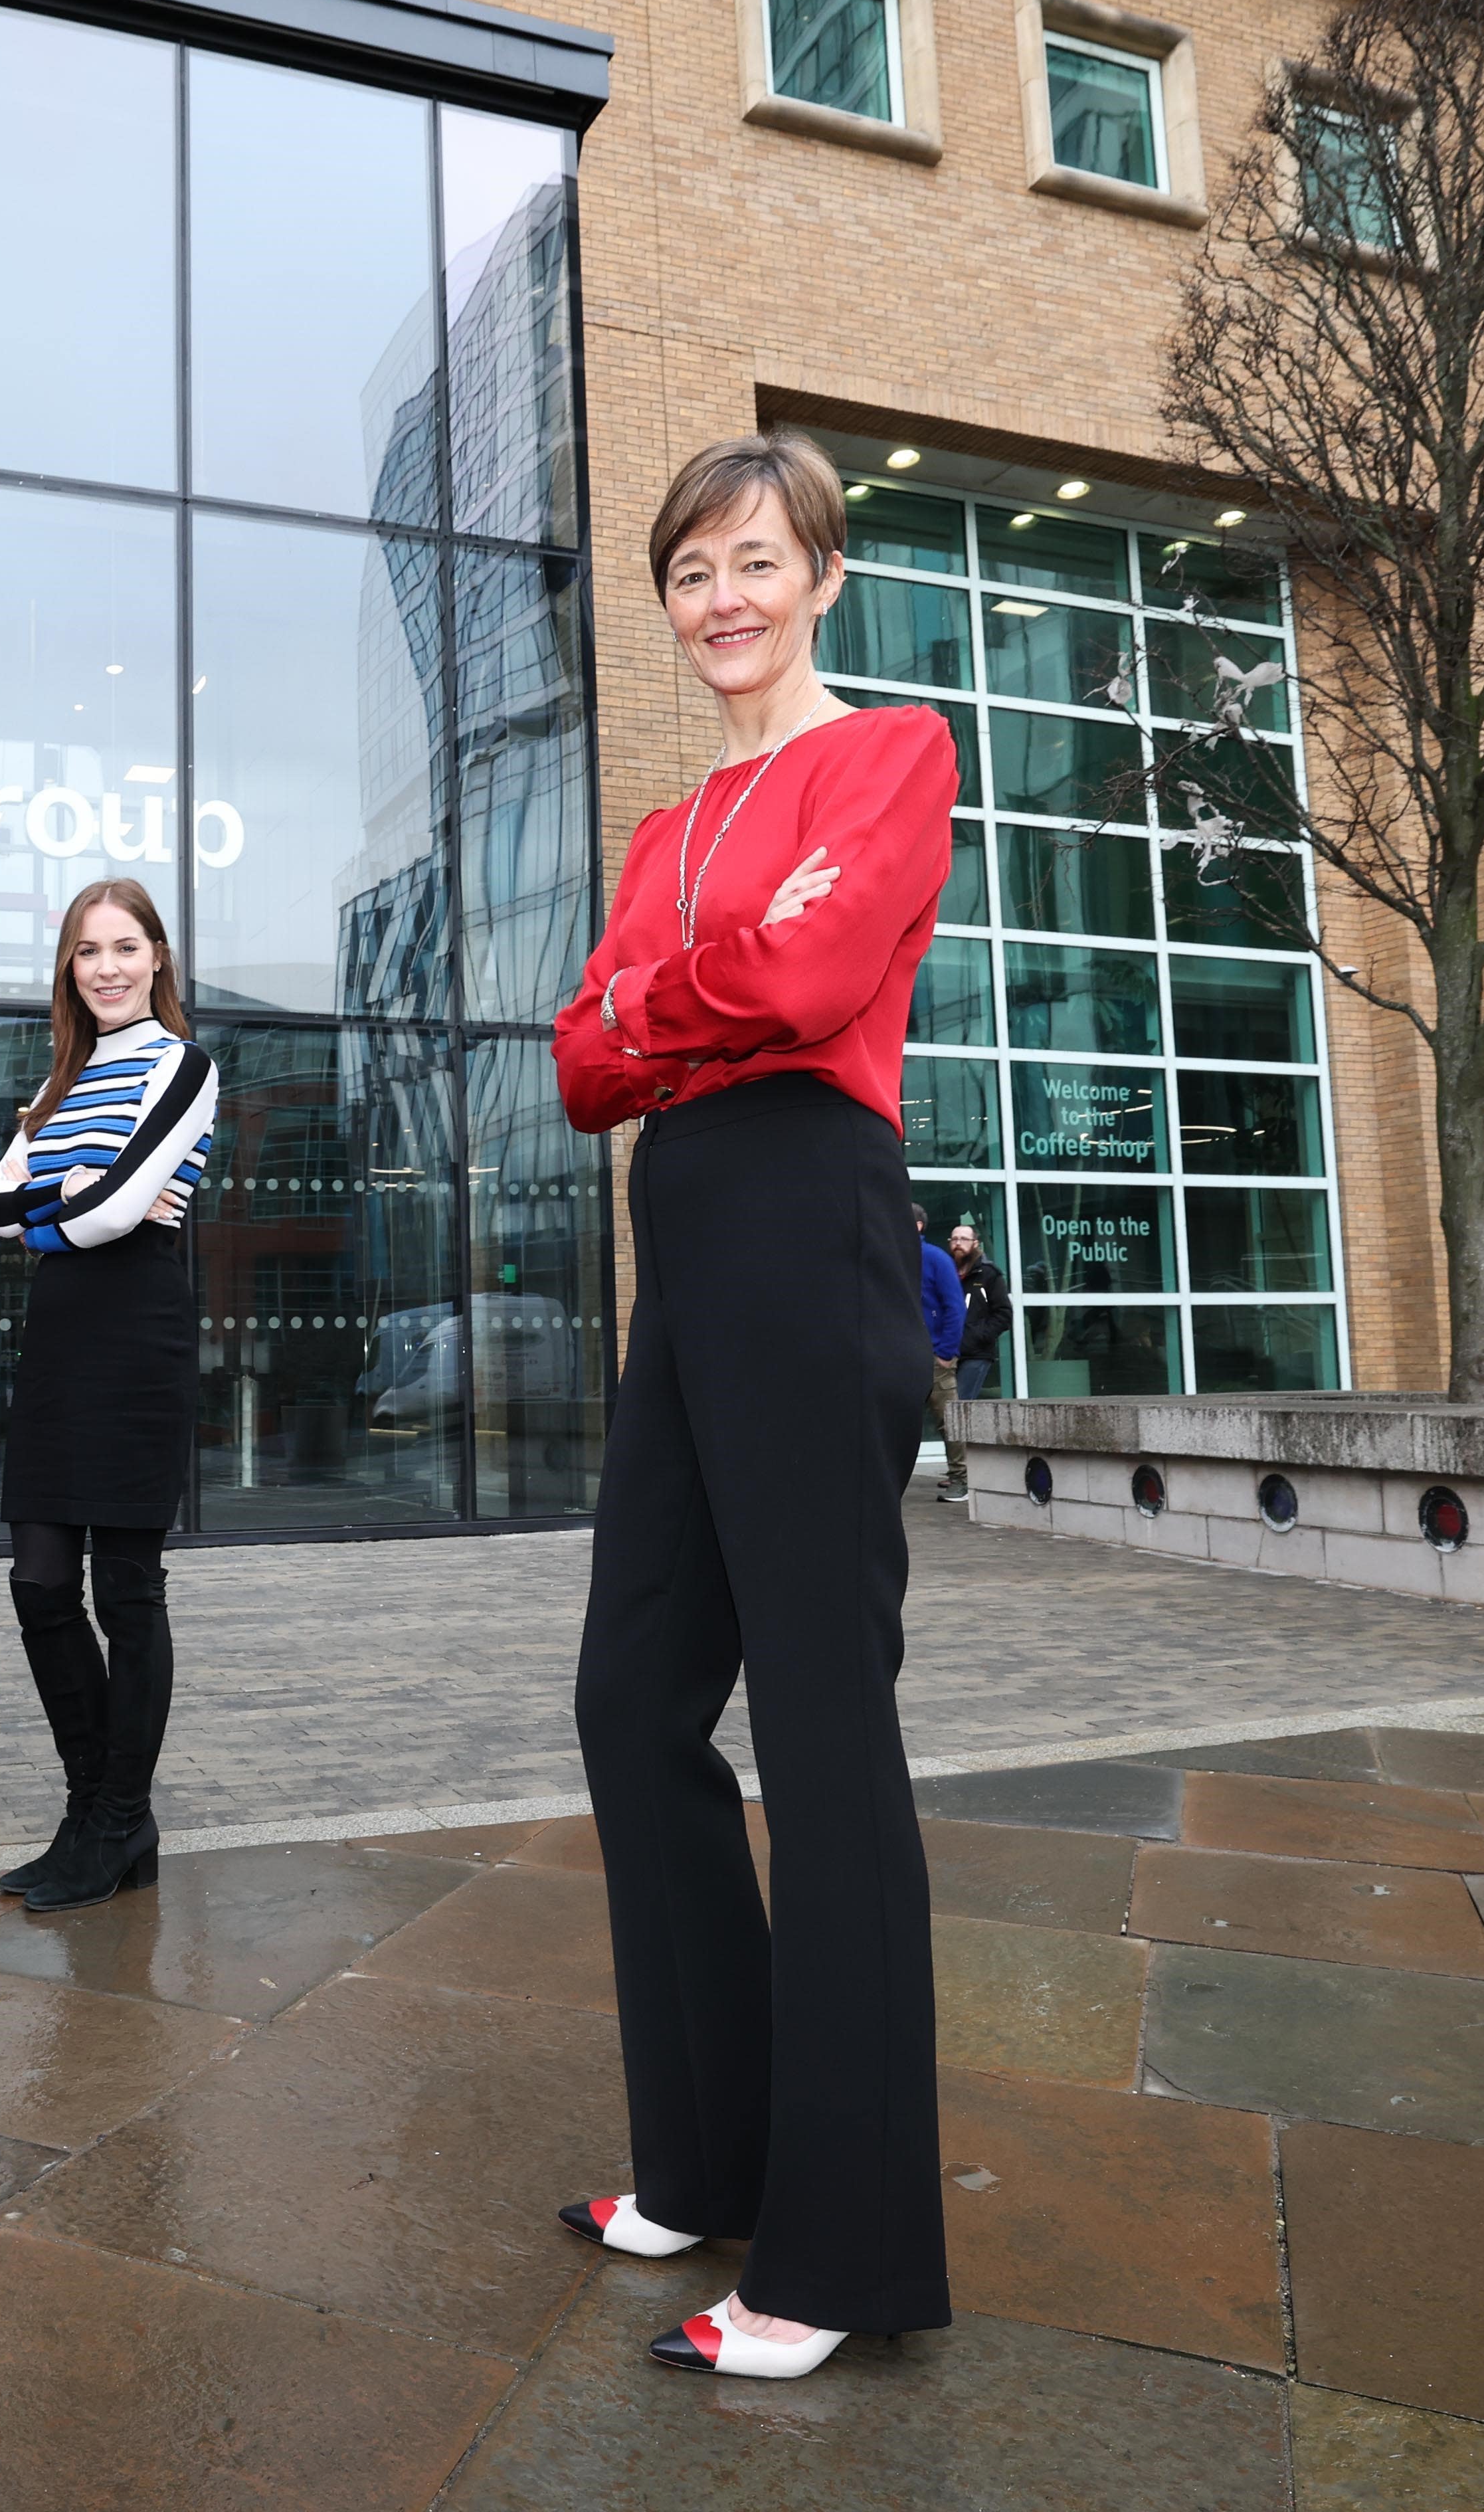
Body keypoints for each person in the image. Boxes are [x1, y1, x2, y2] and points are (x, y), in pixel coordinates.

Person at [547, 432, 959, 2378]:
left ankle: (836, 2257)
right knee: (630, 1697)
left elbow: (800, 982)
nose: (718, 596)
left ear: (818, 572)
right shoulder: (659, 833)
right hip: (688, 1245)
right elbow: (574, 1059)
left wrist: (664, 1006)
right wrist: (676, 996)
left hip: (808, 1218)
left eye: (749, 559)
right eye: (685, 571)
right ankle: (704, 2157)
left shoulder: (890, 757)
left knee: (818, 1722)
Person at [0, 878, 217, 1915]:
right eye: (86, 952)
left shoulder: (184, 1065)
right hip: (61, 1332)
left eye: (125, 946)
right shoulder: (58, 1086)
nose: (107, 967)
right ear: (68, 972)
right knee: (37, 1583)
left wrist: (62, 1206)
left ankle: (120, 1822)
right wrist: (72, 1204)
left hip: (136, 1330)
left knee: (126, 1588)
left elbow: (117, 1215)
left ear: (157, 957)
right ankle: (93, 1812)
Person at [947, 1222, 1011, 1486]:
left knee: (959, 1406)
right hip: (946, 1353)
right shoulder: (945, 1271)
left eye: (964, 1239)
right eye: (954, 1239)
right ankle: (959, 1471)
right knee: (946, 1412)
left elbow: (1004, 1315)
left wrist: (975, 1336)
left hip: (976, 1354)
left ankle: (964, 1474)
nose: (958, 1243)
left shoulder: (989, 1274)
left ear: (976, 1244)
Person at [913, 1205, 968, 1501]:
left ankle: (961, 1479)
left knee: (948, 1419)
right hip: (904, 1355)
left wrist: (945, 1352)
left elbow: (955, 1308)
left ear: (918, 1226)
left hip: (934, 1356)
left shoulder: (935, 1259)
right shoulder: (893, 1257)